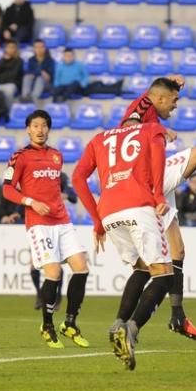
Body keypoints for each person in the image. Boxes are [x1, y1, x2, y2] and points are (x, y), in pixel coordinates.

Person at [119, 75, 196, 341]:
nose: (175, 106)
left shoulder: (148, 104)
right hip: (146, 176)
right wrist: (157, 131)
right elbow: (128, 129)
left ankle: (177, 316)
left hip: (153, 183)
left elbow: (149, 99)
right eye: (173, 101)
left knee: (178, 251)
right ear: (159, 98)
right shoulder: (143, 107)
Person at [73, 122, 172, 370]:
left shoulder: (99, 138)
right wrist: (158, 194)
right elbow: (159, 153)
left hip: (109, 213)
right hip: (139, 207)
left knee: (140, 269)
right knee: (164, 275)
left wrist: (96, 221)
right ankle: (132, 329)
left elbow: (77, 177)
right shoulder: (150, 129)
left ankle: (118, 324)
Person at [2, 109, 91, 349]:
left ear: (48, 129)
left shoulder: (56, 156)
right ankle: (47, 325)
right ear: (28, 129)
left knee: (81, 268)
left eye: (44, 126)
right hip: (39, 224)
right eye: (35, 126)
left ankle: (70, 323)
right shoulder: (19, 156)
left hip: (62, 220)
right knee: (53, 273)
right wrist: (30, 202)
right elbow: (7, 189)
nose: (40, 130)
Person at [52, 49, 123, 102]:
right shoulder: (59, 66)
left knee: (97, 84)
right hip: (66, 88)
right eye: (67, 55)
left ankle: (115, 86)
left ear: (74, 56)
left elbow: (85, 76)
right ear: (63, 56)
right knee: (95, 88)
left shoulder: (79, 64)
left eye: (71, 55)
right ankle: (64, 97)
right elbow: (57, 80)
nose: (69, 57)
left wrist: (83, 84)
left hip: (80, 87)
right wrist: (59, 88)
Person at [0, 40, 24, 108]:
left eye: (13, 47)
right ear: (6, 49)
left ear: (16, 49)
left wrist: (1, 77)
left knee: (9, 90)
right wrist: (4, 61)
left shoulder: (19, 61)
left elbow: (13, 76)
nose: (10, 49)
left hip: (12, 84)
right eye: (9, 47)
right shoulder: (1, 60)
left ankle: (7, 111)